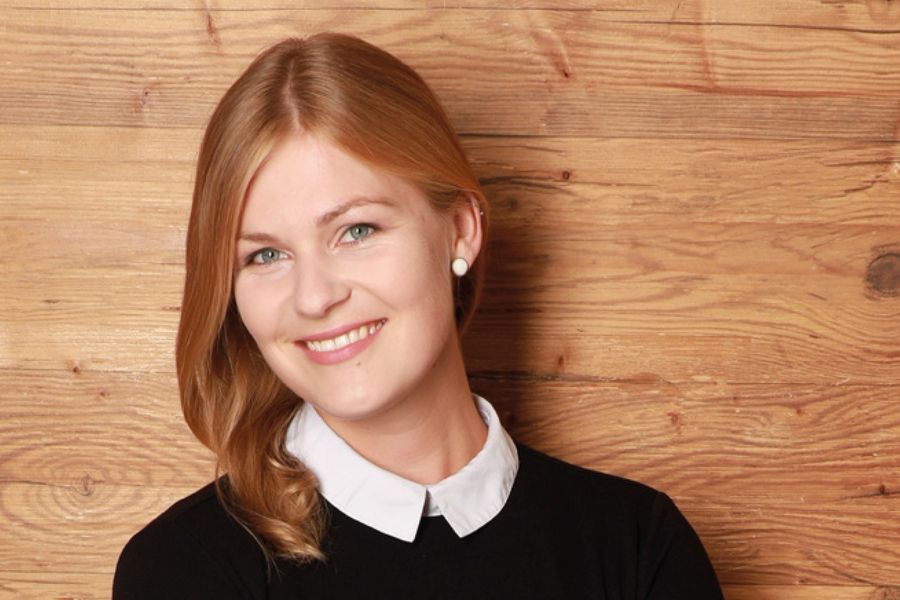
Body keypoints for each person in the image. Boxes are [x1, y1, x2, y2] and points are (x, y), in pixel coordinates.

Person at [112, 32, 724, 599]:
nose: (313, 298)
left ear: (459, 230)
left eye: (356, 230)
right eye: (266, 255)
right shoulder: (184, 570)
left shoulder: (638, 547)